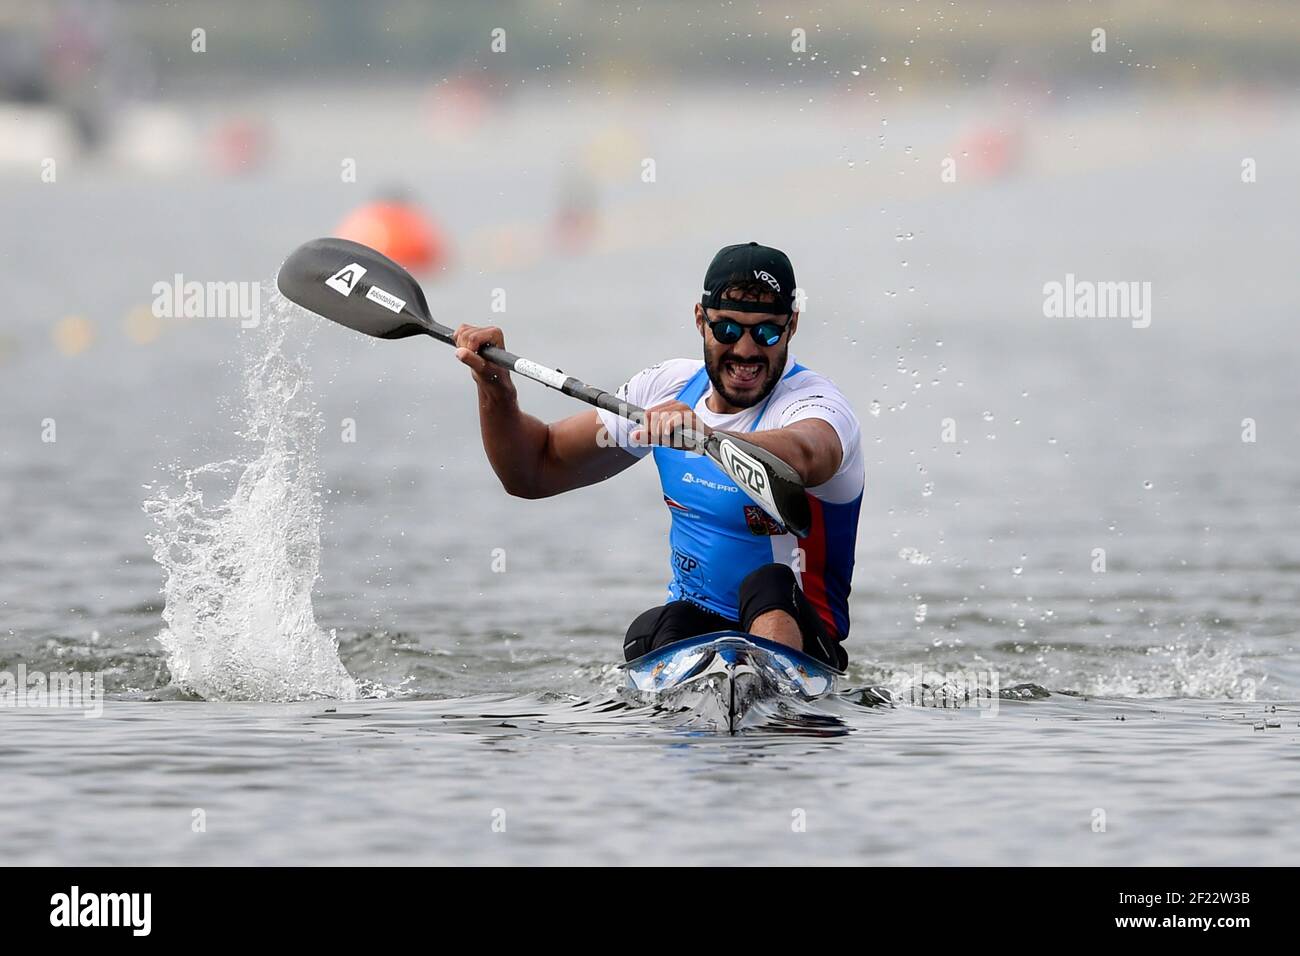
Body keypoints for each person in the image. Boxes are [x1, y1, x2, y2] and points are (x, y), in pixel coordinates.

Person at [453, 242, 864, 669]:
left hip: (805, 640)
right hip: (700, 628)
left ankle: (774, 695)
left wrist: (708, 435)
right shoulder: (666, 390)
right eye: (726, 329)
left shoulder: (814, 402)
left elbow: (809, 453)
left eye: (766, 332)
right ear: (700, 321)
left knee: (770, 585)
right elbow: (533, 470)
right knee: (658, 627)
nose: (745, 350)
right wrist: (495, 390)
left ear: (792, 327)